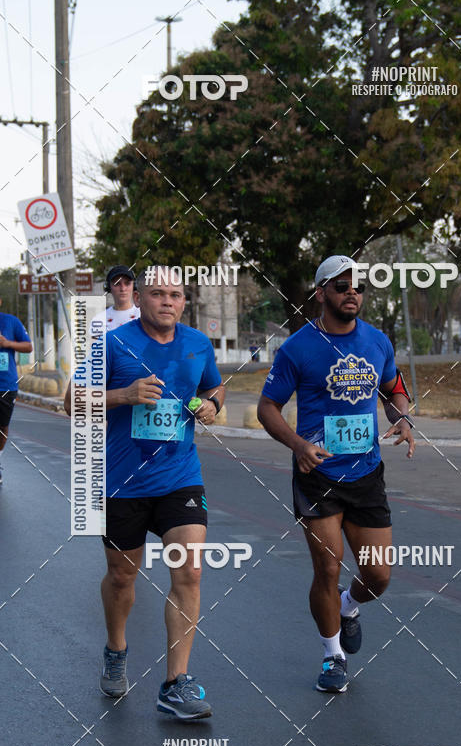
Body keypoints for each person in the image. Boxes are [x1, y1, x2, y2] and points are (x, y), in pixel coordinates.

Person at [64, 267, 224, 719]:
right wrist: (125, 394)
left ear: (184, 301)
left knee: (189, 571)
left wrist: (212, 404)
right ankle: (116, 648)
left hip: (180, 476)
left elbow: (213, 386)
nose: (167, 302)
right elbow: (71, 400)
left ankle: (175, 683)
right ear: (141, 299)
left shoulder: (197, 344)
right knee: (122, 578)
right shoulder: (114, 343)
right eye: (157, 294)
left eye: (175, 294)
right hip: (122, 480)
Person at [257, 255, 415, 693]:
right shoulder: (297, 348)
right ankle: (332, 656)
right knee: (327, 568)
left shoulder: (377, 341)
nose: (352, 292)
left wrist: (403, 417)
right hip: (318, 473)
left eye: (358, 287)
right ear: (320, 292)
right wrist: (298, 445)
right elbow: (267, 407)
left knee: (379, 576)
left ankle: (350, 605)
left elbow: (393, 389)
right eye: (341, 285)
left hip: (365, 473)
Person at [0, 299, 33, 484]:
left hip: (6, 384)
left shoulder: (11, 321)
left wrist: (7, 343)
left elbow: (28, 347)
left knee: (2, 427)